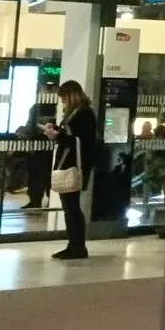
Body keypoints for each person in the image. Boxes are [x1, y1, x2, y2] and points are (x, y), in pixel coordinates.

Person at [43, 81, 101, 260]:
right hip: (68, 163)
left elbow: (80, 141)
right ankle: (73, 244)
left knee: (72, 207)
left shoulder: (84, 114)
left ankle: (78, 246)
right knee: (69, 207)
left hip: (76, 165)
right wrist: (57, 132)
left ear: (71, 95)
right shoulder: (75, 114)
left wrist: (58, 135)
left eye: (64, 98)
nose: (63, 103)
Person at [19, 99, 57, 211]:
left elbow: (30, 126)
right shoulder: (39, 107)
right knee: (39, 175)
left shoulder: (38, 107)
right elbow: (30, 126)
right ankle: (38, 200)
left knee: (40, 176)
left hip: (44, 148)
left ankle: (37, 201)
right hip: (42, 148)